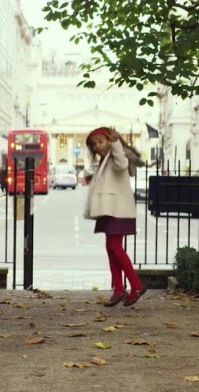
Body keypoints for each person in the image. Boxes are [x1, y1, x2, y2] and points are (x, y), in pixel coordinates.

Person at [83, 127, 146, 307]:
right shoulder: (104, 160)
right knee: (111, 248)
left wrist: (117, 142)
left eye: (100, 142)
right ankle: (119, 289)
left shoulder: (116, 156)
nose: (97, 146)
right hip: (109, 210)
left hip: (118, 210)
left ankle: (136, 285)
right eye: (94, 144)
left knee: (114, 247)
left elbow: (122, 164)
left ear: (109, 140)